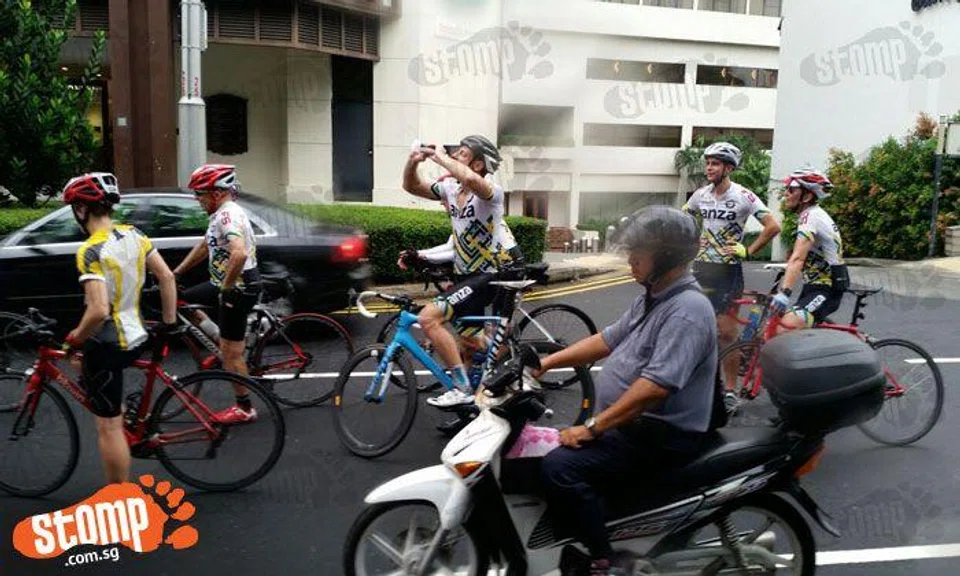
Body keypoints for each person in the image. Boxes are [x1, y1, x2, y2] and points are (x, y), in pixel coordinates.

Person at [531, 206, 719, 576]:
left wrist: (592, 427)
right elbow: (607, 340)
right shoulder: (654, 296)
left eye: (640, 252)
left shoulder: (686, 310)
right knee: (539, 447)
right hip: (635, 425)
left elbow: (654, 388)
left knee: (559, 468)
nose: (631, 259)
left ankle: (604, 560)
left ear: (666, 257)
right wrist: (545, 363)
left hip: (661, 434)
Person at [62, 172, 178, 485]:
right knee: (94, 376)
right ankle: (120, 409)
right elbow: (167, 277)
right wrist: (168, 325)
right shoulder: (135, 234)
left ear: (81, 210)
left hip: (110, 344)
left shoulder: (90, 250)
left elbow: (98, 310)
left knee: (108, 427)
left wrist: (74, 340)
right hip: (138, 335)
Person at [400, 134, 523, 408]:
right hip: (465, 276)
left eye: (463, 154)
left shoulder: (490, 193)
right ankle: (482, 396)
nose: (455, 156)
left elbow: (470, 180)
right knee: (470, 347)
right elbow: (411, 186)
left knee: (429, 318)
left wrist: (438, 155)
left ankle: (462, 387)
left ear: (479, 164)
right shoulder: (452, 192)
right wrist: (413, 162)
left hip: (489, 275)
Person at [682, 141, 781, 410]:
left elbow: (773, 226)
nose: (709, 168)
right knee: (697, 327)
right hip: (702, 268)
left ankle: (729, 390)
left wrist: (747, 250)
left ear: (728, 167)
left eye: (715, 164)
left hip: (727, 271)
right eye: (708, 163)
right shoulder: (700, 195)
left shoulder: (744, 196)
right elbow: (683, 220)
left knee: (726, 331)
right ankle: (699, 385)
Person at [172, 164, 263, 424]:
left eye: (200, 193)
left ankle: (245, 408)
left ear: (216, 193)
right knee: (184, 300)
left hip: (240, 288)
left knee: (231, 354)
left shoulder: (227, 217)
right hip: (224, 282)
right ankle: (217, 335)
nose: (196, 199)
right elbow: (205, 245)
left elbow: (239, 253)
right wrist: (176, 273)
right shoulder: (219, 215)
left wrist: (226, 289)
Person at [769, 167, 848, 331]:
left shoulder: (810, 217)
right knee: (772, 328)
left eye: (791, 189)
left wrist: (785, 293)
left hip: (826, 289)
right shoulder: (813, 214)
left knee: (782, 329)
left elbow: (798, 258)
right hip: (813, 287)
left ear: (807, 196)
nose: (786, 194)